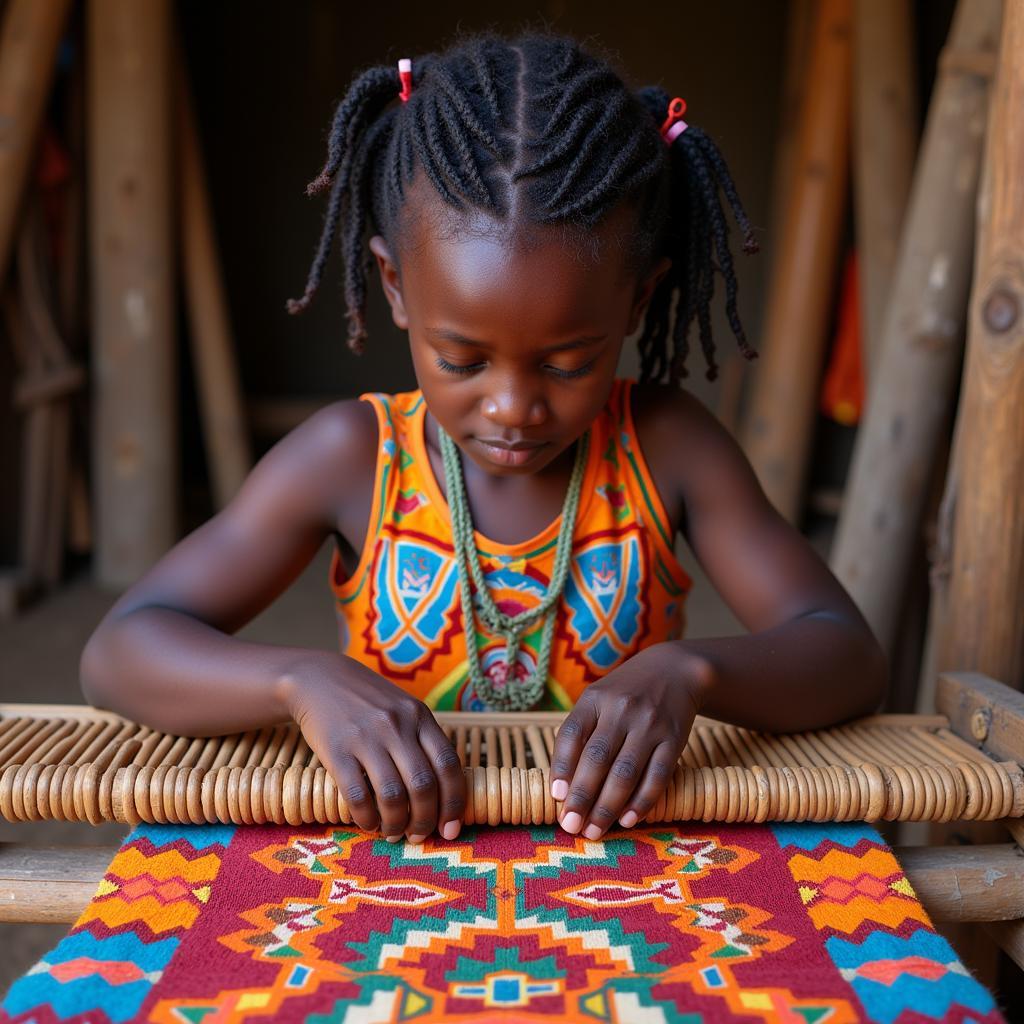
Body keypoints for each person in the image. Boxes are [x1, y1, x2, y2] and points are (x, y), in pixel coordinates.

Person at [80, 33, 887, 850]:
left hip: (620, 867)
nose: (513, 406)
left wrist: (690, 673)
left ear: (638, 305)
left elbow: (847, 654)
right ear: (395, 287)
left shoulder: (668, 446)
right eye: (461, 359)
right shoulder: (352, 458)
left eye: (569, 363)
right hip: (396, 868)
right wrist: (300, 681)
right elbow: (120, 650)